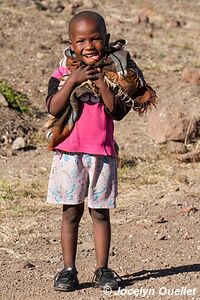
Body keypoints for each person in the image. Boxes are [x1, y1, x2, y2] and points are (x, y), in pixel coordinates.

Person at [46, 10, 156, 292]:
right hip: (69, 154)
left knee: (100, 212)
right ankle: (68, 270)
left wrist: (100, 84)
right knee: (71, 211)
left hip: (102, 155)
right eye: (81, 40)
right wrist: (73, 80)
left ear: (106, 40)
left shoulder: (116, 73)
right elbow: (53, 107)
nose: (88, 45)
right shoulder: (62, 74)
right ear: (71, 43)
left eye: (95, 38)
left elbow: (118, 112)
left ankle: (102, 269)